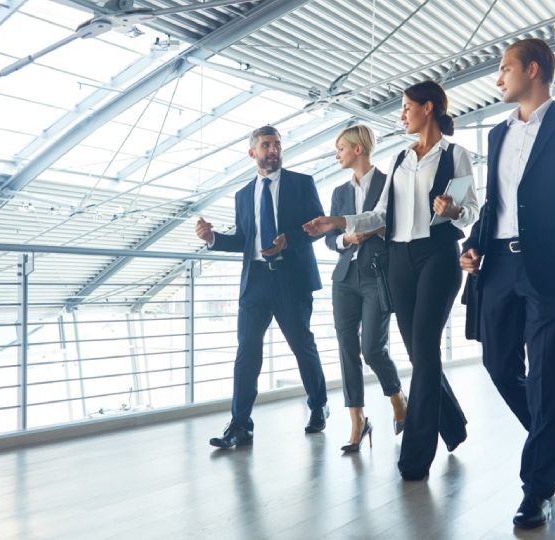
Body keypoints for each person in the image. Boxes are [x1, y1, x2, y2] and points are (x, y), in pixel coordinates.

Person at [459, 39, 555, 529]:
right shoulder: (497, 134)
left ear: (532, 69)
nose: (498, 79)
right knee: (496, 361)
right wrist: (475, 242)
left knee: (547, 376)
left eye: (505, 69)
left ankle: (537, 489)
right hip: (499, 266)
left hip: (553, 270)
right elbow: (495, 203)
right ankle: (551, 431)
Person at [304, 80, 477, 479]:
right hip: (399, 260)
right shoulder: (400, 158)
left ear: (428, 108)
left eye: (406, 107)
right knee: (419, 353)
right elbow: (380, 215)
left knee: (426, 348)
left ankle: (416, 454)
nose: (401, 114)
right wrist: (337, 221)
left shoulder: (455, 156)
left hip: (437, 255)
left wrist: (452, 210)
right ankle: (453, 426)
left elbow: (471, 211)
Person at [196, 125, 329, 449]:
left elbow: (319, 227)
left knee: (302, 345)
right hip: (255, 281)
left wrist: (289, 240)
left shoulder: (301, 183)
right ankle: (240, 425)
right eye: (266, 145)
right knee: (247, 354)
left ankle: (318, 406)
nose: (274, 150)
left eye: (277, 144)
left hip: (290, 278)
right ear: (252, 152)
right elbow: (245, 240)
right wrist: (212, 238)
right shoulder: (244, 195)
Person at [325, 125, 407, 453]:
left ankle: (397, 397)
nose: (337, 154)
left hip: (377, 276)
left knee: (372, 348)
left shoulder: (391, 184)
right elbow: (330, 239)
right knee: (347, 348)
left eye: (341, 148)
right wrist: (345, 238)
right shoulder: (338, 193)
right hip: (345, 278)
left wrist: (372, 232)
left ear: (358, 149)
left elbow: (399, 226)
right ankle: (357, 421)